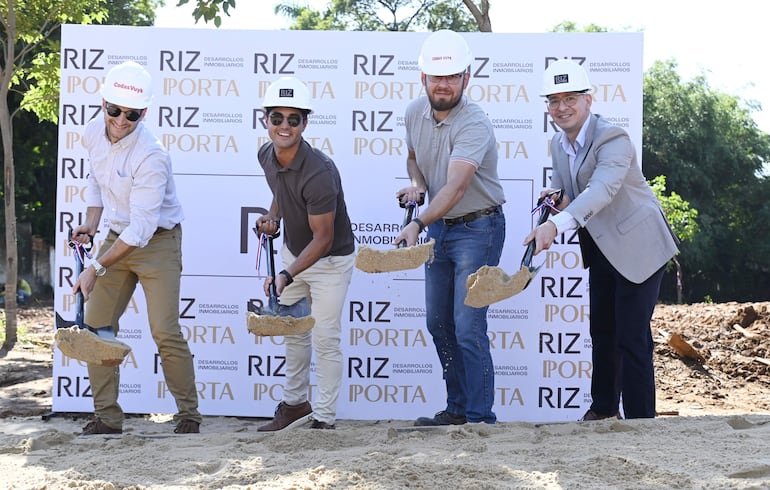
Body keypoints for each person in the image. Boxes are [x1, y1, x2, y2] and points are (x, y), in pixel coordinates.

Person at [525, 59, 679, 420]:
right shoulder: (558, 143)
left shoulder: (613, 137)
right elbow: (575, 194)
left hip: (640, 246)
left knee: (631, 336)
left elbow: (602, 190)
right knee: (603, 332)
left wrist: (555, 225)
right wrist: (558, 200)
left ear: (588, 100)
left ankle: (642, 420)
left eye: (570, 99)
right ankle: (604, 409)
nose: (561, 107)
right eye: (553, 100)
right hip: (602, 247)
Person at [71, 61, 201, 435]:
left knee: (164, 330)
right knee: (96, 328)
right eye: (114, 110)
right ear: (102, 104)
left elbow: (143, 228)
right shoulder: (94, 132)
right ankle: (107, 418)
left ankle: (189, 414)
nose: (121, 120)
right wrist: (91, 223)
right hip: (116, 235)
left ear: (144, 112)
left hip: (157, 242)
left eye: (131, 114)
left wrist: (95, 268)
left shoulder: (152, 155)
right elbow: (96, 181)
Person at [392, 30, 506, 426]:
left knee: (467, 325)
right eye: (436, 77)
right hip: (441, 229)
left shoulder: (474, 122)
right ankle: (457, 409)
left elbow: (457, 187)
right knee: (437, 322)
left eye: (452, 76)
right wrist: (419, 185)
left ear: (466, 79)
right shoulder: (412, 113)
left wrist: (418, 222)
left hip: (479, 228)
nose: (443, 84)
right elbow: (412, 158)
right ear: (423, 79)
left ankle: (479, 418)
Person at [255, 76, 356, 431]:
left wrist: (286, 274)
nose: (284, 126)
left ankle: (324, 419)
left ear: (305, 123)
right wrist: (273, 215)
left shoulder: (320, 172)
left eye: (293, 119)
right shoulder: (266, 154)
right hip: (295, 254)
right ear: (265, 120)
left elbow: (324, 239)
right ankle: (295, 405)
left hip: (330, 261)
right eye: (277, 117)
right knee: (294, 333)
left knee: (325, 337)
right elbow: (282, 188)